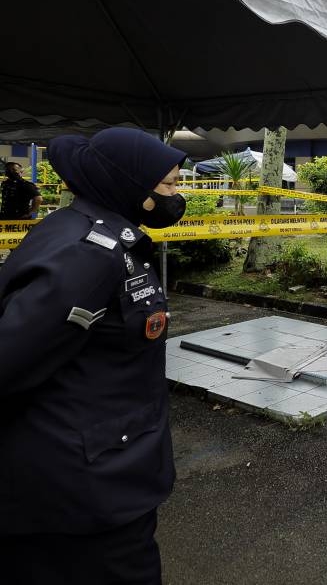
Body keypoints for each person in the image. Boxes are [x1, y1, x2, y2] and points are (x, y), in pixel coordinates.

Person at [0, 127, 187, 585]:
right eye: (168, 186)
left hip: (95, 478)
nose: (177, 195)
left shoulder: (86, 230)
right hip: (88, 495)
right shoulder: (91, 257)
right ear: (130, 185)